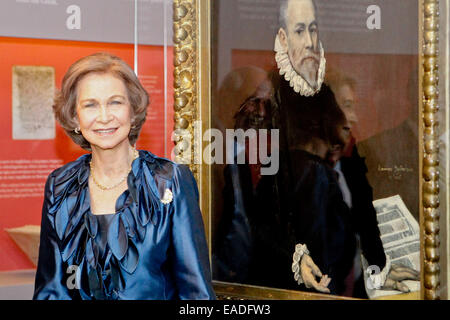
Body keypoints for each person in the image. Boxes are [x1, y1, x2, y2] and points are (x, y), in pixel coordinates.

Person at [33, 52, 215, 300]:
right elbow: (51, 290)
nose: (105, 116)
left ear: (133, 110)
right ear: (75, 117)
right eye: (90, 105)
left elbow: (196, 294)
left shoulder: (170, 180)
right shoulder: (60, 185)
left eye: (115, 102)